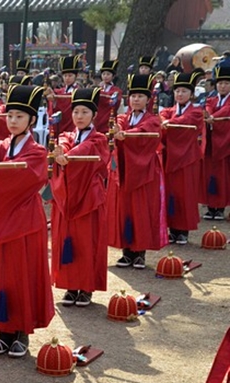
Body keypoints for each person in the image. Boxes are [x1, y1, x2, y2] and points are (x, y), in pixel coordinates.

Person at [0, 84, 54, 358]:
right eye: (10, 115)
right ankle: (3, 332)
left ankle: (21, 333)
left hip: (24, 223)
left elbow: (25, 178)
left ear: (31, 120)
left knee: (22, 276)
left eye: (20, 116)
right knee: (0, 276)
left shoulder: (38, 151)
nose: (13, 121)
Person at [51, 88, 110, 307]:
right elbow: (64, 145)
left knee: (86, 242)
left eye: (84, 112)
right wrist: (62, 152)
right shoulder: (66, 136)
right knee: (68, 241)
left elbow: (88, 150)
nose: (79, 116)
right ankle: (70, 285)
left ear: (94, 115)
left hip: (89, 198)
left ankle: (85, 288)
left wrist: (69, 156)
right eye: (75, 111)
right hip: (68, 197)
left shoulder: (99, 139)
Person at [110, 74, 167, 268]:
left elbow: (145, 132)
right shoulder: (121, 118)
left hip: (144, 171)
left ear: (148, 100)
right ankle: (127, 252)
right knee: (125, 210)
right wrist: (116, 131)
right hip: (126, 169)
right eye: (133, 95)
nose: (135, 99)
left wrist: (125, 134)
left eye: (140, 96)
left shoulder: (152, 120)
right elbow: (115, 130)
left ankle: (140, 252)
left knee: (141, 210)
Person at [159, 70, 204, 245]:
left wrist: (168, 123)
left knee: (185, 194)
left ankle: (183, 230)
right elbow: (161, 118)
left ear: (191, 94)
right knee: (171, 193)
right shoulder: (169, 111)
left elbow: (186, 121)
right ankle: (172, 229)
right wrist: (165, 121)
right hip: (170, 157)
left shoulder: (196, 112)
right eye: (177, 91)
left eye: (184, 91)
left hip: (187, 159)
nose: (180, 94)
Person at [203, 66, 230, 221]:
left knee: (223, 175)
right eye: (220, 83)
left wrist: (213, 117)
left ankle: (220, 207)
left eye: (226, 83)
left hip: (225, 143)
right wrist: (208, 115)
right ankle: (210, 206)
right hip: (212, 143)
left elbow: (226, 111)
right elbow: (207, 108)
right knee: (210, 174)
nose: (222, 86)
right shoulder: (211, 99)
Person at [48, 55, 82, 133]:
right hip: (59, 125)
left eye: (70, 75)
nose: (67, 78)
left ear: (76, 76)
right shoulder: (58, 92)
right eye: (65, 75)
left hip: (72, 126)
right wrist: (53, 101)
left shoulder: (79, 92)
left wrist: (56, 99)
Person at [95, 60, 122, 133]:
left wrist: (100, 94)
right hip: (98, 118)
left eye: (108, 74)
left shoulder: (117, 90)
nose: (105, 76)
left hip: (109, 118)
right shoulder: (97, 88)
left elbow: (115, 103)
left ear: (113, 76)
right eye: (103, 74)